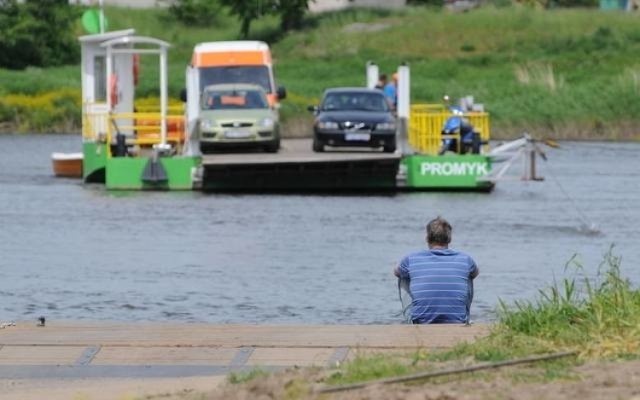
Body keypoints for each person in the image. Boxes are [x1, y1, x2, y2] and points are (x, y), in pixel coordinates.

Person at [393, 217, 479, 324]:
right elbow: (476, 273)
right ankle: (462, 317)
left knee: (403, 275)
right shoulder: (465, 259)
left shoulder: (411, 259)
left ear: (427, 238)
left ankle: (414, 319)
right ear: (449, 239)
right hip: (456, 321)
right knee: (468, 275)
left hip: (421, 322)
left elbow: (396, 272)